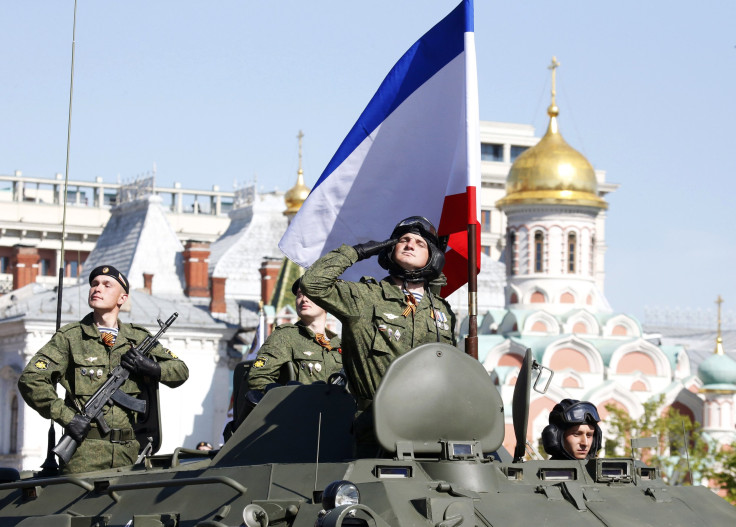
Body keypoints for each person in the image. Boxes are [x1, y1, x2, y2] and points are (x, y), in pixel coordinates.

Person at [17, 265, 189, 474]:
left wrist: (151, 367)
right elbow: (31, 379)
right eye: (94, 284)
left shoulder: (137, 337)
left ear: (122, 298)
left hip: (128, 453)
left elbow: (180, 371)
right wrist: (68, 418)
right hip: (83, 452)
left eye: (107, 285)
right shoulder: (71, 337)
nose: (97, 288)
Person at [301, 216, 456, 411]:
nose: (410, 246)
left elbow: (450, 367)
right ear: (390, 249)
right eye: (403, 240)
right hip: (374, 421)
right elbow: (313, 284)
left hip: (429, 422)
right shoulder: (364, 297)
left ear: (433, 257)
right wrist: (357, 252)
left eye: (420, 244)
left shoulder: (442, 311)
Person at [247, 278, 343, 390]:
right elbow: (258, 378)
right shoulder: (285, 336)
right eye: (300, 295)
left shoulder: (339, 345)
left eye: (311, 294)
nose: (304, 299)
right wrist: (291, 398)